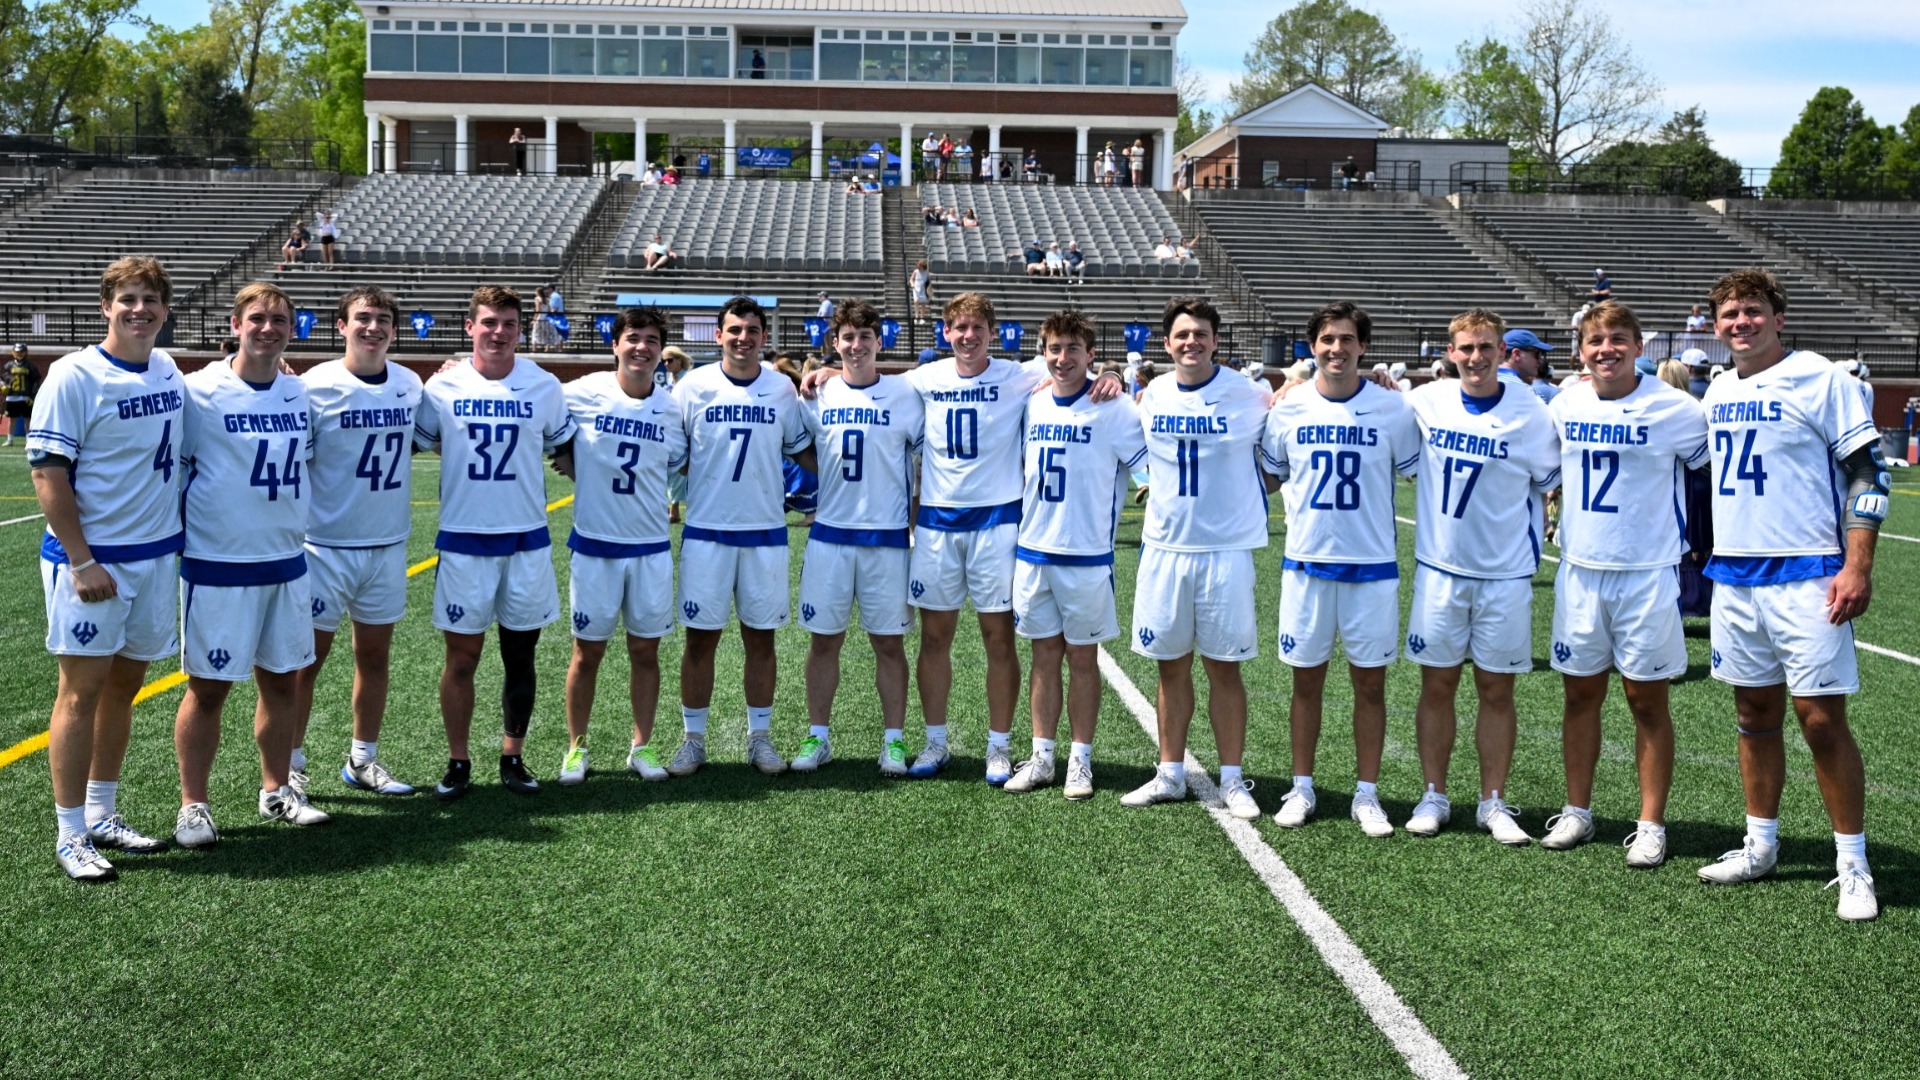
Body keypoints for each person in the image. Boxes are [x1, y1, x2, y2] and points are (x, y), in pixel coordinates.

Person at [799, 293, 1121, 782]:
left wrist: (1111, 375)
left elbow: (1070, 364)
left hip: (997, 523)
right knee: (935, 636)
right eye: (959, 328)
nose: (968, 336)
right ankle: (935, 741)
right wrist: (826, 373)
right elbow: (865, 380)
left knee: (998, 638)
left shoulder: (1019, 375)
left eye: (977, 328)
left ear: (992, 333)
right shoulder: (922, 379)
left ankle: (998, 746)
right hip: (936, 525)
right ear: (944, 334)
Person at [1695, 268, 1886, 921]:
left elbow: (1867, 470)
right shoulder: (1717, 389)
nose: (1740, 323)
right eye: (1729, 315)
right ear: (1715, 327)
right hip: (1736, 575)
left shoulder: (1823, 378)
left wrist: (1857, 564)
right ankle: (1761, 844)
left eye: (1752, 311)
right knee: (1753, 714)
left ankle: (1853, 864)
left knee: (1821, 721)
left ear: (1778, 318)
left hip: (1807, 573)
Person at [30, 257, 184, 880]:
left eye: (149, 299)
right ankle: (70, 834)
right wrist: (82, 558)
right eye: (127, 299)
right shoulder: (73, 375)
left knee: (124, 687)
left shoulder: (168, 368)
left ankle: (102, 811)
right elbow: (47, 473)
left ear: (165, 310)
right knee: (80, 693)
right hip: (93, 567)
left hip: (154, 559)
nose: (139, 309)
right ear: (106, 307)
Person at [1541, 301, 1709, 868]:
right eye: (1595, 341)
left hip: (1646, 574)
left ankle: (1651, 823)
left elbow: (1710, 471)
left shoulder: (1678, 409)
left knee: (1647, 700)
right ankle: (1577, 811)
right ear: (1580, 352)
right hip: (1581, 570)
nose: (1606, 349)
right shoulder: (1566, 403)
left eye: (1617, 339)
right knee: (1579, 695)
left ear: (1639, 347)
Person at [1259, 302, 1421, 836]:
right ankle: (1302, 786)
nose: (1337, 348)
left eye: (1347, 339)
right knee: (1306, 686)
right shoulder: (1288, 409)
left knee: (1370, 687)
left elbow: (1415, 472)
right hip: (1306, 566)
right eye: (1327, 339)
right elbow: (1270, 477)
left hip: (1371, 569)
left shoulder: (1393, 409)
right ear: (1313, 347)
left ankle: (1367, 794)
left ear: (1363, 347)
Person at [172, 282, 325, 848]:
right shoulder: (199, 391)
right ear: (234, 326)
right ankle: (193, 804)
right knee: (209, 690)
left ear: (293, 329)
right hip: (218, 564)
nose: (268, 328)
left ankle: (276, 788)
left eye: (280, 320)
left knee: (282, 685)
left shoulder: (298, 394)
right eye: (256, 318)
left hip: (286, 561)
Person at [1402, 308, 1561, 844]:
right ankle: (1434, 793)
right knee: (1437, 684)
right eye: (1466, 348)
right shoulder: (1426, 401)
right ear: (1451, 353)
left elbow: (1549, 480)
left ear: (1503, 352)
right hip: (1440, 570)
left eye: (1486, 347)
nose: (1475, 358)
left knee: (1497, 690)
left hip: (1506, 575)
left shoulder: (1531, 412)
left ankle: (1492, 800)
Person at [413, 286, 579, 798]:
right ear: (470, 329)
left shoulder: (544, 385)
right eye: (489, 322)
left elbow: (564, 447)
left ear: (520, 329)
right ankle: (458, 760)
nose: (499, 332)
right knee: (461, 659)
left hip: (526, 543)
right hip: (464, 543)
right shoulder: (440, 389)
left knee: (520, 657)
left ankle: (513, 755)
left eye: (509, 323)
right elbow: (410, 443)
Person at [1122, 297, 1269, 819]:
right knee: (1170, 668)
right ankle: (1170, 773)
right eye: (1182, 335)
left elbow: (1292, 416)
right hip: (1165, 549)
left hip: (1225, 552)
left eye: (1200, 334)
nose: (1191, 342)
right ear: (1166, 343)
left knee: (1224, 669)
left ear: (1214, 340)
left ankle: (1232, 779)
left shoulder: (1248, 394)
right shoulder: (1153, 393)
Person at [664, 297, 817, 777]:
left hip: (765, 533)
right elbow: (670, 452)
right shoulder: (693, 387)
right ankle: (693, 739)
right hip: (707, 532)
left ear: (764, 337)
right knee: (699, 641)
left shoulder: (780, 389)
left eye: (752, 330)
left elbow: (804, 452)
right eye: (734, 330)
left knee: (761, 640)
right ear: (717, 336)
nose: (743, 338)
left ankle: (761, 738)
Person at [286, 285, 422, 799]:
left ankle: (362, 758)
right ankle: (292, 763)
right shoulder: (312, 386)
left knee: (374, 657)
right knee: (305, 664)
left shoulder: (410, 384)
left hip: (387, 545)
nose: (373, 327)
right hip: (323, 546)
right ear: (340, 326)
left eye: (383, 318)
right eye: (362, 317)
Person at [1003, 311, 1146, 799]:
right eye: (1053, 349)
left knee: (1083, 659)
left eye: (1072, 349)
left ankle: (1079, 761)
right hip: (1033, 551)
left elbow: (1149, 470)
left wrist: (1113, 381)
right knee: (1044, 656)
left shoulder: (1116, 407)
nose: (1062, 359)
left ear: (1090, 354)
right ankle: (1043, 756)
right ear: (1043, 353)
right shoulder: (1032, 400)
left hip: (1086, 555)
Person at [551, 306, 687, 784]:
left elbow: (681, 464)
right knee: (586, 654)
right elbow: (530, 402)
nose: (641, 347)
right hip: (594, 546)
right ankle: (576, 747)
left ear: (660, 351)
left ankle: (641, 746)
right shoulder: (582, 391)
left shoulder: (671, 409)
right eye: (633, 337)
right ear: (615, 345)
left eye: (651, 339)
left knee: (645, 653)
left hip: (649, 548)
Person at [793, 299, 925, 774]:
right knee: (823, 642)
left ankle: (892, 740)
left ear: (879, 341)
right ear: (835, 344)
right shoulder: (816, 396)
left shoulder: (906, 395)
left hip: (886, 540)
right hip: (830, 537)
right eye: (847, 338)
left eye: (864, 337)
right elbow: (802, 452)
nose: (856, 346)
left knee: (888, 644)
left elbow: (923, 463)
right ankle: (818, 736)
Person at [1498, 328, 1559, 405]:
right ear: (1517, 354)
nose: (1540, 361)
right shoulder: (1523, 391)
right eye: (1537, 354)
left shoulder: (1487, 381)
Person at [5, 342, 38, 446]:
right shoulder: (9, 365)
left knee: (28, 420)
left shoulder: (30, 366)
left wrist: (32, 396)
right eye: (17, 352)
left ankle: (29, 440)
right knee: (12, 419)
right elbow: (4, 379)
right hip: (12, 397)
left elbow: (36, 381)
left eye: (21, 352)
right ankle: (10, 440)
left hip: (25, 397)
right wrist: (4, 386)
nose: (19, 354)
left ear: (25, 353)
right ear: (13, 352)